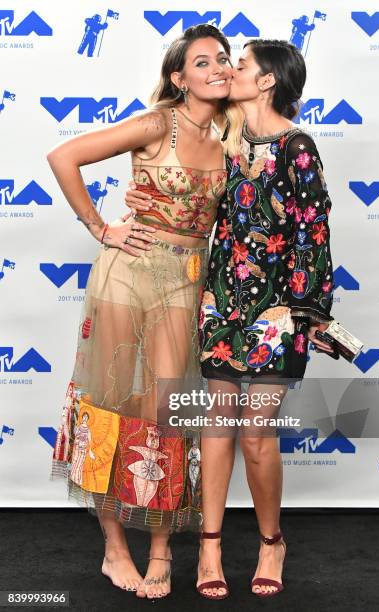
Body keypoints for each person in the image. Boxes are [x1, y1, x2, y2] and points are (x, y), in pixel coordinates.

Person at [125, 38, 336, 600]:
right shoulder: (227, 141)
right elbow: (187, 194)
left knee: (256, 436)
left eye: (239, 65)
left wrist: (307, 312)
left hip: (277, 311)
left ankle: (272, 543)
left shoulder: (299, 147)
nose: (228, 72)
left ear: (266, 81)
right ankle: (210, 548)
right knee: (216, 429)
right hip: (220, 302)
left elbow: (313, 233)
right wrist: (141, 201)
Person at [48, 24, 232, 600]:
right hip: (129, 274)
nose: (218, 69)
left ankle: (160, 548)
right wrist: (102, 227)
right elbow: (64, 155)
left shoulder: (234, 132)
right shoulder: (159, 122)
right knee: (110, 402)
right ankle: (114, 547)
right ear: (179, 77)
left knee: (169, 410)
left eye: (223, 60)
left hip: (186, 282)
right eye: (202, 62)